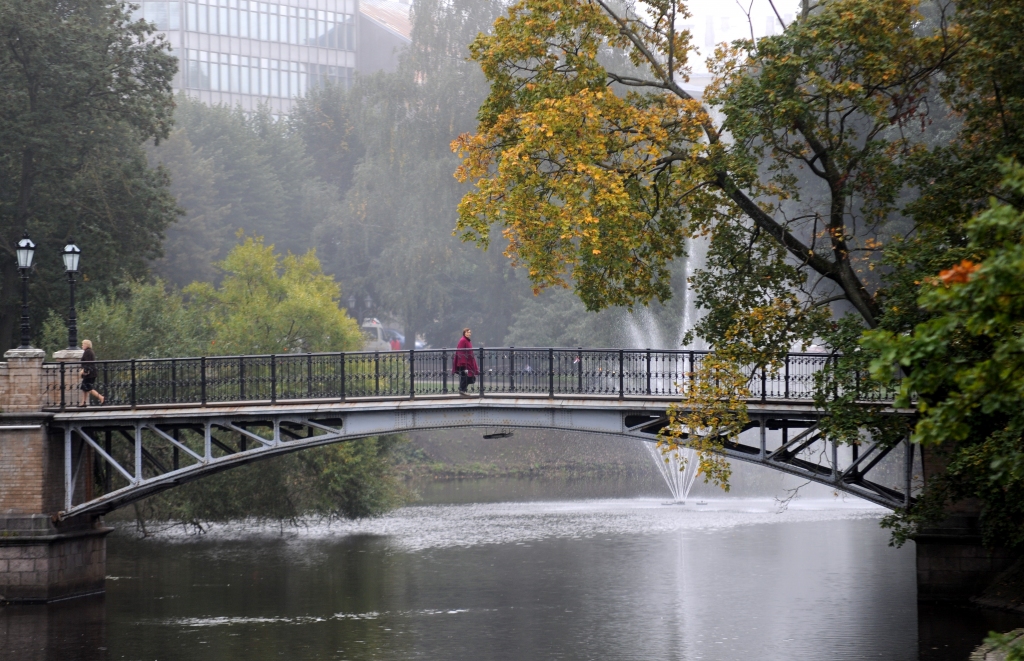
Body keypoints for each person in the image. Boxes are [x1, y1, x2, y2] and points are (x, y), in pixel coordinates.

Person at [452, 328, 479, 396]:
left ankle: (463, 390)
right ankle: (462, 390)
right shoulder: (463, 340)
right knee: (465, 376)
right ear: (464, 333)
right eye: (467, 332)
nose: (469, 333)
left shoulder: (467, 340)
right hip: (464, 363)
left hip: (468, 362)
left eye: (469, 332)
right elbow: (460, 351)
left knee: (469, 376)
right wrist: (462, 362)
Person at [79, 339, 105, 405]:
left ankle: (101, 397)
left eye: (83, 344)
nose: (82, 346)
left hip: (89, 373)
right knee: (84, 387)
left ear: (86, 345)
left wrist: (84, 370)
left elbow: (88, 363)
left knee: (88, 388)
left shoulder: (88, 352)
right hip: (91, 373)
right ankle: (83, 403)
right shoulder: (89, 351)